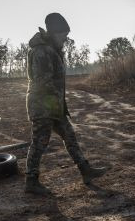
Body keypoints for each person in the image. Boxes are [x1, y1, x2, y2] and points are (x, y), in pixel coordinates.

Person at [24, 13, 107, 194]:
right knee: (39, 142)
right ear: (54, 32)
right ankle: (31, 181)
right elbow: (41, 81)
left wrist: (58, 104)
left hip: (53, 105)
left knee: (69, 136)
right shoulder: (41, 51)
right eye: (63, 35)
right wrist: (52, 103)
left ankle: (86, 170)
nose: (66, 38)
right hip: (43, 105)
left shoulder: (52, 49)